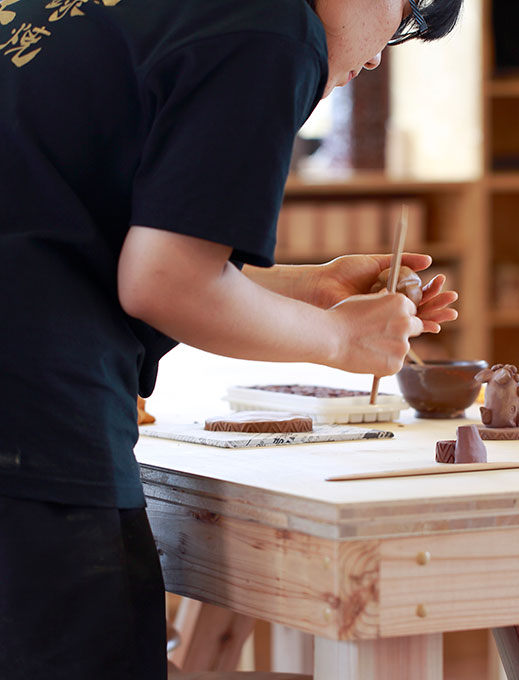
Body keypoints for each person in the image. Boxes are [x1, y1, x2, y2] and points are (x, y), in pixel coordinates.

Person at [0, 0, 463, 677]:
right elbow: (163, 284)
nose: (376, 56)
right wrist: (337, 339)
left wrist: (315, 292)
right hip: (29, 415)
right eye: (407, 17)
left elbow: (119, 249)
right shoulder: (275, 26)